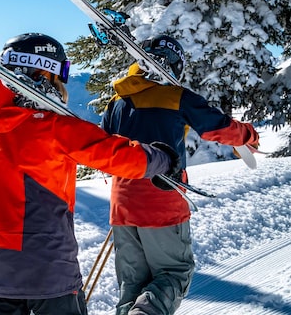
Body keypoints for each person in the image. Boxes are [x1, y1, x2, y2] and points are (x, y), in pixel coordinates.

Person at [0, 32, 182, 315]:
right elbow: (118, 156)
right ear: (44, 73)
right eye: (60, 75)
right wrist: (164, 158)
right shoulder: (55, 128)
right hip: (49, 271)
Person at [101, 34, 259, 315]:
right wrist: (248, 135)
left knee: (132, 285)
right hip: (162, 198)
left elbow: (104, 147)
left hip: (121, 204)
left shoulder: (116, 101)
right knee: (174, 273)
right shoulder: (176, 97)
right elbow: (217, 128)